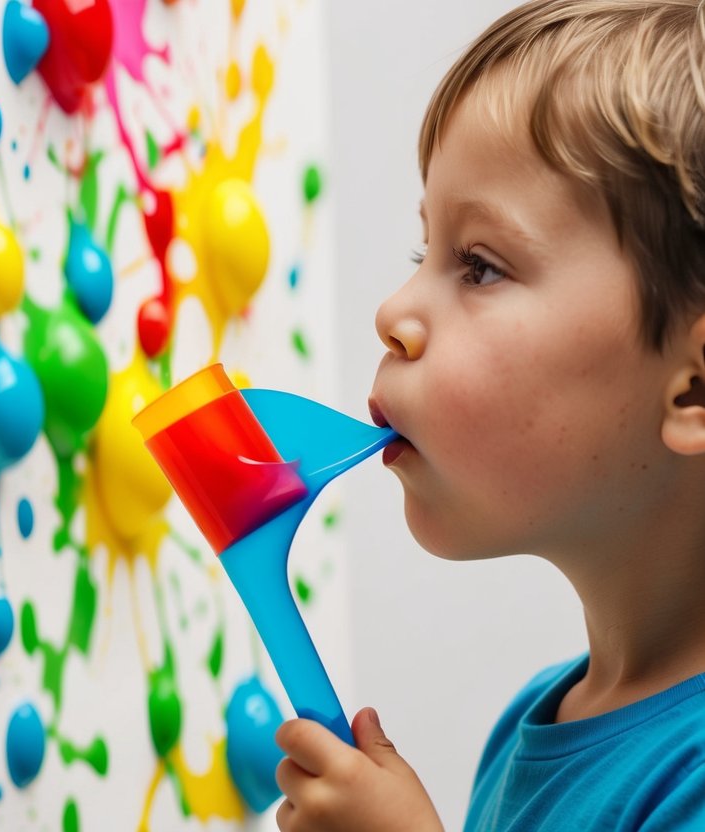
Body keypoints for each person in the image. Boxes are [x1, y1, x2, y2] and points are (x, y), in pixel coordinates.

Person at [273, 2, 705, 829]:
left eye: (477, 265)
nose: (394, 312)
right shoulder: (524, 729)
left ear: (692, 389)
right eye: (420, 251)